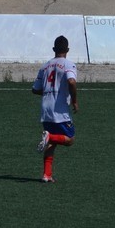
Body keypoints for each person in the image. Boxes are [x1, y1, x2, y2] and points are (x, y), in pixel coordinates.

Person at [31, 36, 79, 183]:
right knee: (70, 139)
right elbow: (71, 81)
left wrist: (49, 92)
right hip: (60, 111)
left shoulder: (45, 66)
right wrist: (74, 101)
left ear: (54, 49)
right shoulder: (69, 64)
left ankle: (47, 175)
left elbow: (35, 89)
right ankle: (49, 137)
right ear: (68, 50)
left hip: (46, 110)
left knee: (52, 144)